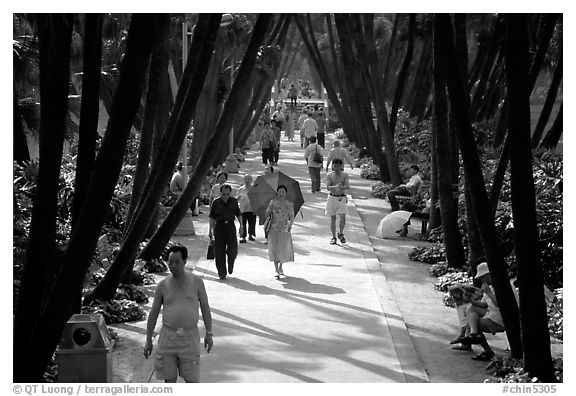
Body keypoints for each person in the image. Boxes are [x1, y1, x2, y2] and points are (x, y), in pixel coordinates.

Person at [143, 245, 213, 383]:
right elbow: (153, 313)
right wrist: (148, 340)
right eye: (170, 262)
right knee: (169, 381)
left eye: (177, 262)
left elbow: (205, 308)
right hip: (168, 337)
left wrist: (209, 334)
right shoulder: (162, 285)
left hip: (189, 337)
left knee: (191, 381)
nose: (172, 266)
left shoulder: (197, 282)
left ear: (185, 261)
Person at [458, 262, 506, 361]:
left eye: (482, 278)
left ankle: (479, 341)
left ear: (489, 275)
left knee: (473, 321)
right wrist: (471, 300)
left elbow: (501, 304)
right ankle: (474, 334)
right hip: (492, 315)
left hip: (501, 319)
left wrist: (488, 292)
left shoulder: (502, 286)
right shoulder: (490, 286)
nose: (481, 280)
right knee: (471, 309)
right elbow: (484, 304)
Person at [209, 184, 243, 280]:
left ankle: (231, 262)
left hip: (230, 226)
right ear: (220, 193)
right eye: (223, 194)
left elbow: (239, 214)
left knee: (233, 249)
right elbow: (212, 217)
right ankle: (222, 273)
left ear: (230, 193)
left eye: (227, 194)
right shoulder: (216, 202)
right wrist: (210, 231)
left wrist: (241, 226)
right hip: (219, 227)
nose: (225, 196)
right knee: (219, 251)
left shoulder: (233, 201)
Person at [265, 185, 295, 278]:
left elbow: (292, 215)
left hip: (284, 228)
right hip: (273, 228)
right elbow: (266, 214)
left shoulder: (289, 204)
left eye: (283, 192)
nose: (281, 193)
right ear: (277, 193)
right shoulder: (272, 202)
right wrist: (269, 208)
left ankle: (281, 266)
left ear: (286, 194)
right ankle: (276, 269)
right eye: (280, 192)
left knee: (282, 248)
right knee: (274, 248)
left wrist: (290, 225)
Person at [325, 158, 350, 245]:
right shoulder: (329, 175)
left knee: (343, 216)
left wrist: (341, 187)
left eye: (338, 166)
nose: (336, 168)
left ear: (341, 166)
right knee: (333, 218)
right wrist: (335, 187)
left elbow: (347, 186)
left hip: (342, 198)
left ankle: (341, 233)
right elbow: (328, 187)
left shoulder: (345, 175)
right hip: (332, 197)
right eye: (334, 166)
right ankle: (333, 237)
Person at [236, 174, 256, 243]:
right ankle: (243, 236)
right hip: (243, 209)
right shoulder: (240, 189)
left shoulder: (254, 189)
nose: (247, 180)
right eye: (246, 179)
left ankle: (251, 235)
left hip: (252, 209)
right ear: (244, 180)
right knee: (243, 223)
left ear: (251, 180)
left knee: (252, 223)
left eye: (249, 179)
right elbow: (236, 199)